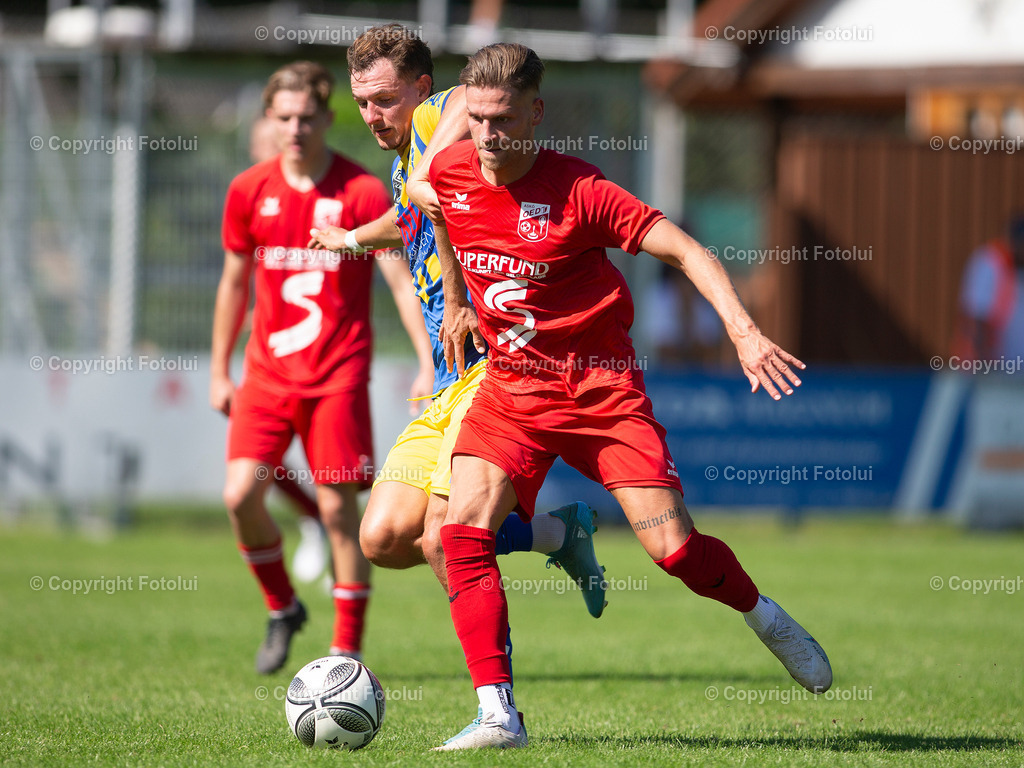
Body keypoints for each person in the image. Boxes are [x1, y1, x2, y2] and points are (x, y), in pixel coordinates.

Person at [409, 43, 833, 750]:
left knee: (674, 551)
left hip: (602, 393)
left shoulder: (582, 191)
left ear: (536, 113)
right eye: (477, 118)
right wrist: (455, 300)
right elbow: (434, 204)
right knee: (459, 536)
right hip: (512, 394)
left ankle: (765, 614)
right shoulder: (451, 170)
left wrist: (745, 331)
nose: (488, 135)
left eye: (504, 119)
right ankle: (497, 715)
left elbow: (687, 251)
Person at [306, 24, 607, 683]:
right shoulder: (403, 162)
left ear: (422, 87)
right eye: (361, 102)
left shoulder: (450, 114)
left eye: (384, 99)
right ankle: (561, 534)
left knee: (445, 535)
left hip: (498, 366)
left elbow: (481, 93)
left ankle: (494, 698)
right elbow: (407, 213)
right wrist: (350, 238)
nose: (370, 115)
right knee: (384, 539)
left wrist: (435, 140)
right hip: (447, 376)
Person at [211, 60, 434, 675]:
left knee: (339, 512)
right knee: (239, 495)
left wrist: (425, 361)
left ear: (326, 118)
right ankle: (282, 607)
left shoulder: (361, 192)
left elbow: (400, 280)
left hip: (337, 377)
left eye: (308, 116)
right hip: (266, 377)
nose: (296, 127)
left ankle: (346, 653)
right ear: (269, 121)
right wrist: (218, 370)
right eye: (284, 117)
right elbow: (234, 284)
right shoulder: (248, 190)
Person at [953, 215, 1024, 363]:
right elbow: (976, 317)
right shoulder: (990, 262)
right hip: (990, 369)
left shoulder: (1016, 267)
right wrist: (982, 361)